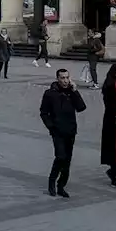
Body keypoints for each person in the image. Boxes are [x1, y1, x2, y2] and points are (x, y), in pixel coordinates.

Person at [40, 68, 86, 198]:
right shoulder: (50, 93)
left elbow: (81, 108)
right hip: (57, 131)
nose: (65, 81)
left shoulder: (71, 93)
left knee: (67, 160)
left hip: (70, 131)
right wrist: (51, 126)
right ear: (57, 79)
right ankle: (52, 180)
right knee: (60, 157)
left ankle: (61, 186)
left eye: (67, 78)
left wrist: (75, 91)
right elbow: (43, 112)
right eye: (62, 78)